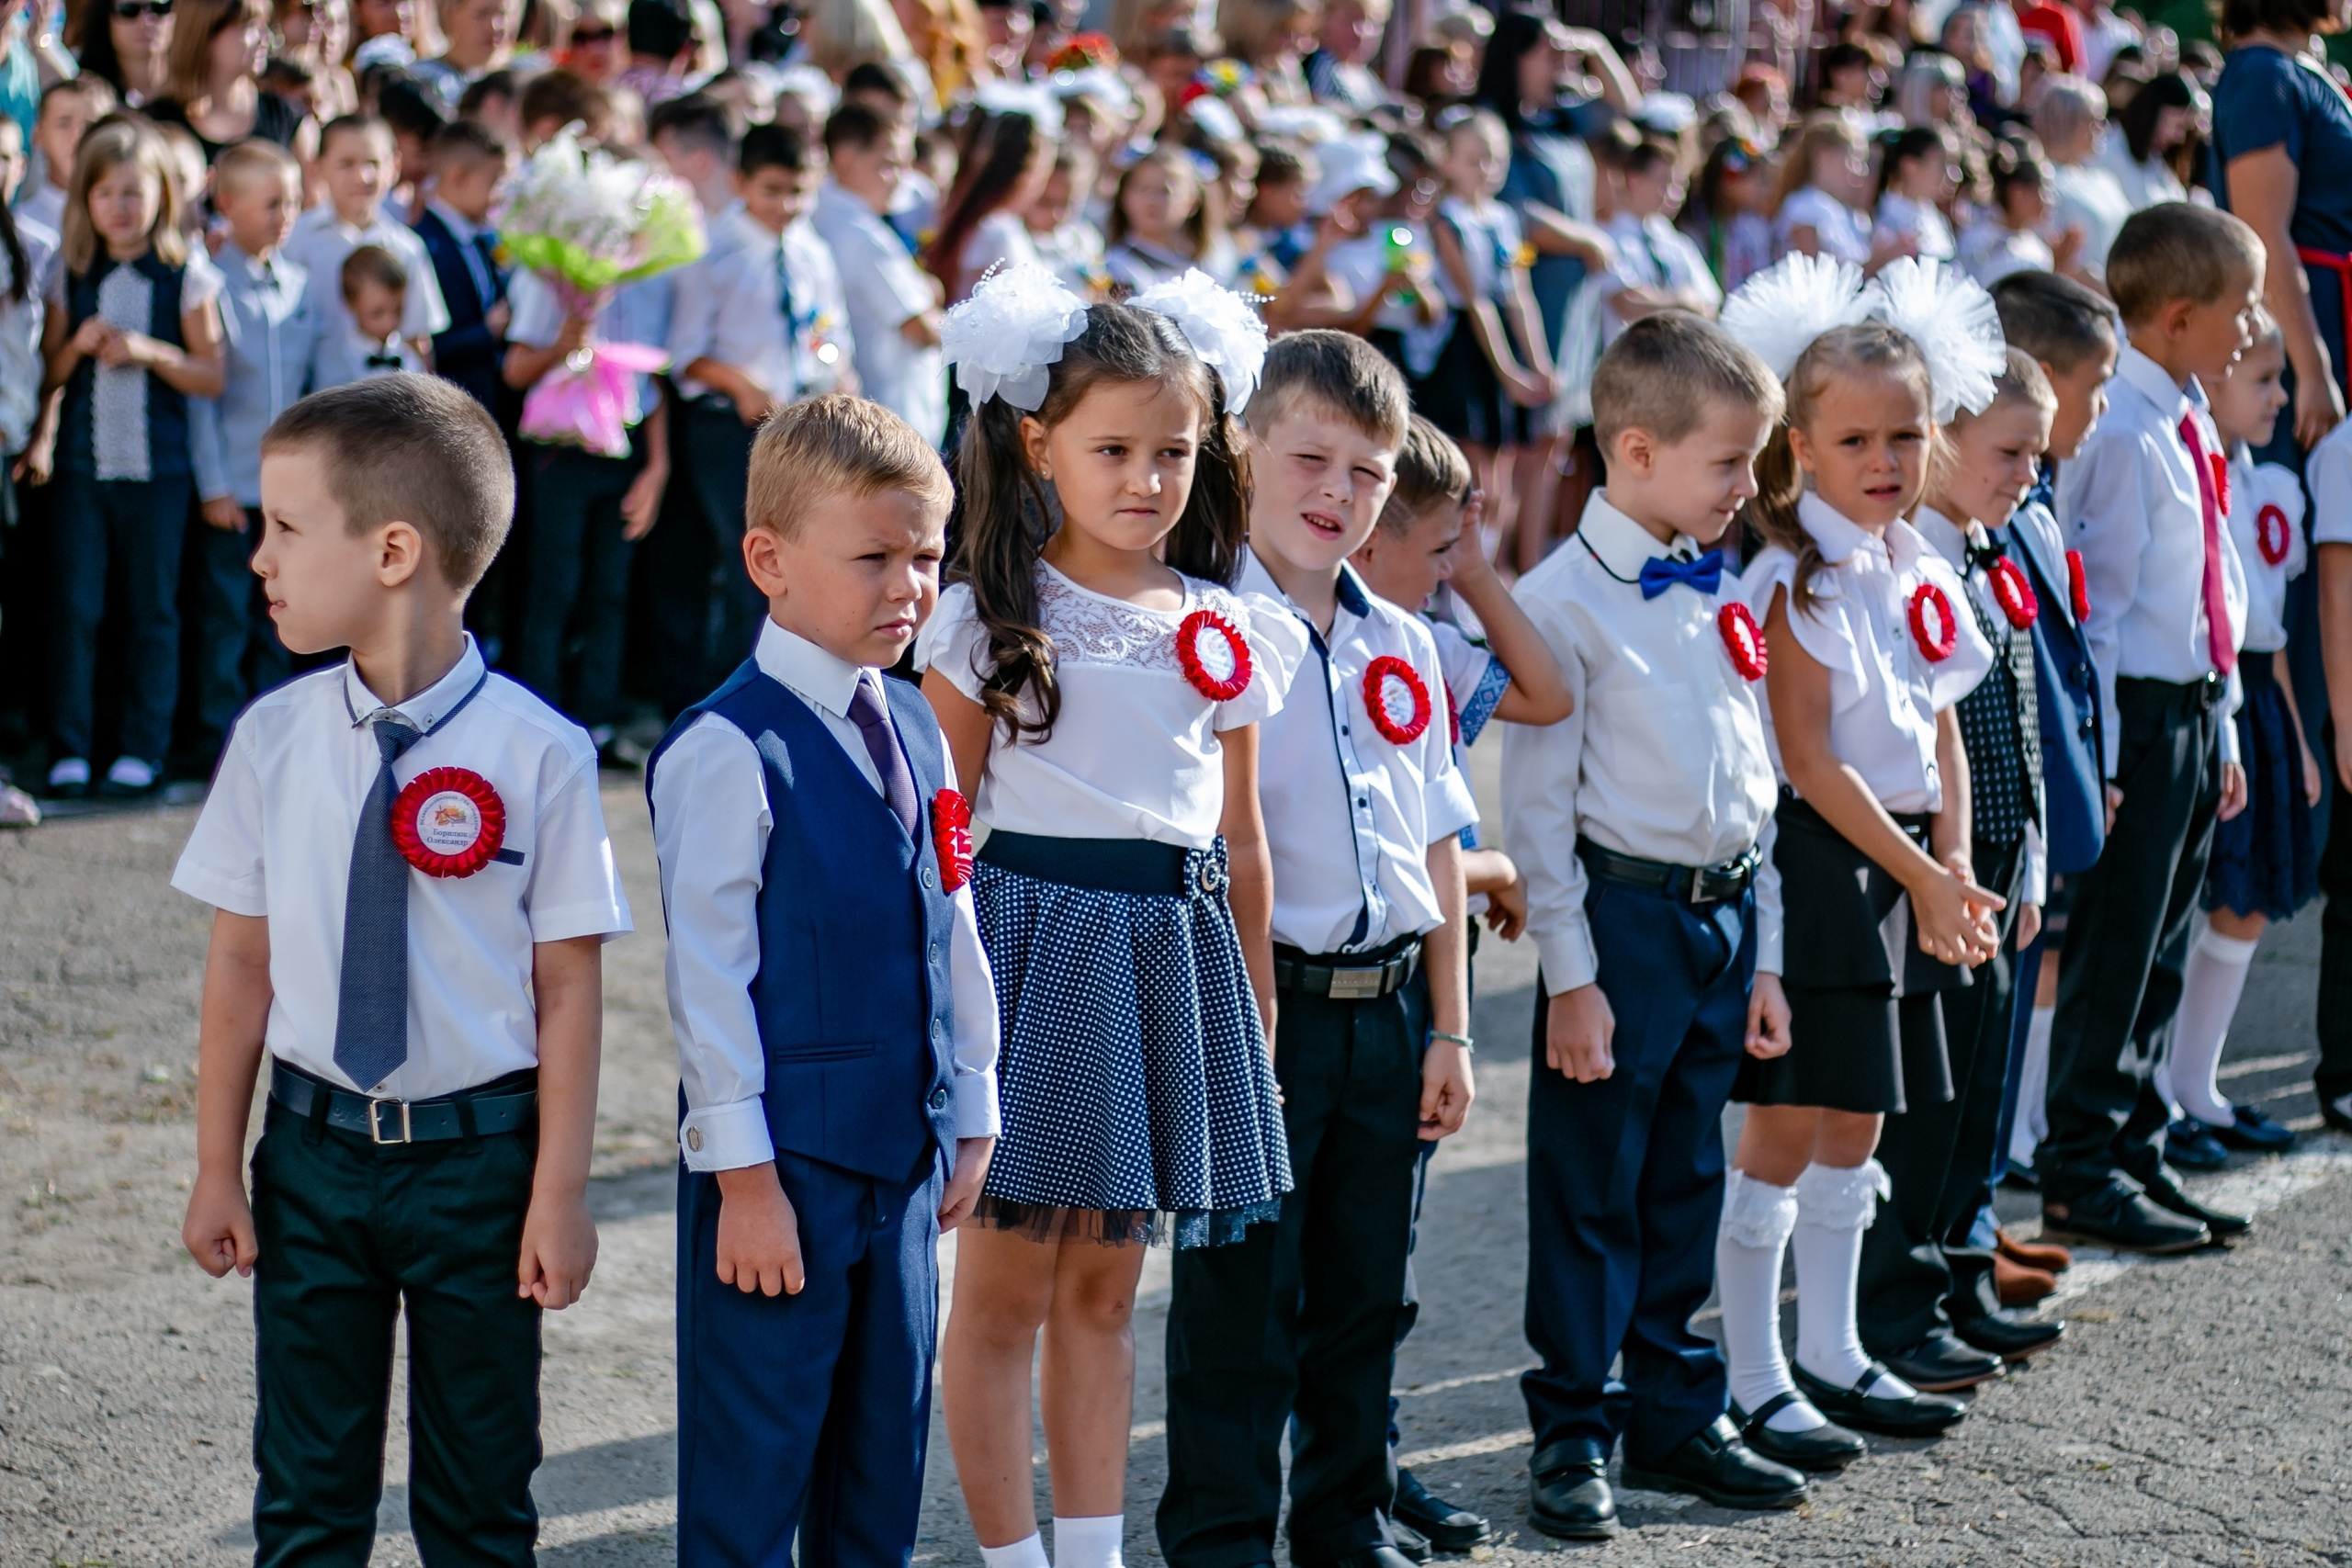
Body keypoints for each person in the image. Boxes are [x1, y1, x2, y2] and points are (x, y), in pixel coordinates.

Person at [174, 374, 629, 1567]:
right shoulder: (272, 740)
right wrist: (218, 1164)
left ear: (392, 549)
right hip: (313, 1157)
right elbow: (241, 961)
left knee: (480, 1502)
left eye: (284, 525)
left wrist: (561, 1189)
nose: (259, 553)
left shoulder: (542, 752)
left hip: (482, 1163)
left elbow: (569, 986)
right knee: (308, 1496)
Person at [918, 266, 1293, 1568]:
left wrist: (1255, 1002)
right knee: (1008, 1288)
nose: (1146, 477)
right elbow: (942, 829)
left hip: (1169, 960)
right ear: (1039, 444)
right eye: (1114, 448)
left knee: (1106, 1288)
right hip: (1031, 953)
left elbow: (1240, 835)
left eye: (1174, 451)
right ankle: (1013, 1556)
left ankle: (1092, 1552)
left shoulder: (1224, 623)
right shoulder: (984, 615)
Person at [647, 392, 997, 1564]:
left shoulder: (914, 719)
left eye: (929, 557)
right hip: (782, 1175)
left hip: (901, 1160)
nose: (911, 586)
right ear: (770, 561)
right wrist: (743, 1181)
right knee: (755, 1473)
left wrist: (975, 1102)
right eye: (876, 557)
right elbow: (707, 986)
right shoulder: (724, 747)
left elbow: (951, 914)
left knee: (878, 1470)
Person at [1159, 329, 1477, 1568]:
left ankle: (1346, 1516)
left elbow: (1441, 840)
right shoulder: (1204, 628)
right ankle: (1224, 1533)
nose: (1337, 494)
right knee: (1241, 1295)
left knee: (1364, 1288)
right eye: (1310, 459)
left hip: (1389, 1007)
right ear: (1244, 451)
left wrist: (1449, 1021)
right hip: (1261, 1006)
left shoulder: (1405, 640)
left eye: (1369, 473)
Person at [1498, 310, 1814, 1534]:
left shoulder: (1714, 580)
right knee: (1591, 1184)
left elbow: (1756, 783)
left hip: (1722, 915)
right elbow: (1537, 818)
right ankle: (1575, 1423)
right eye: (1729, 463)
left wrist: (1768, 952)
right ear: (1635, 450)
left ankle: (1679, 1409)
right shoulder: (1557, 603)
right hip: (1620, 923)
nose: (1750, 487)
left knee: (1686, 1172)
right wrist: (1573, 977)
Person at [1719, 260, 1996, 1453]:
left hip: (1905, 861)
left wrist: (1957, 856)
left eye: (1905, 434)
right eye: (1854, 438)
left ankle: (1835, 1347)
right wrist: (1922, 871)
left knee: (1859, 1122)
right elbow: (1810, 762)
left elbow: (1942, 719)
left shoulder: (1912, 558)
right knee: (1788, 1124)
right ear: (1800, 444)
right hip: (1825, 861)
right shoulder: (1794, 578)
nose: (1884, 459)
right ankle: (1752, 1368)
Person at [1345, 415, 1572, 1551]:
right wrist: (1485, 863)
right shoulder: (1354, 640)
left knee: (1389, 1245)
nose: (1451, 567)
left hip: (1431, 961)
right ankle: (1343, 1467)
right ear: (1364, 539)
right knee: (1340, 1256)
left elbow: (1546, 687)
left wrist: (1473, 568)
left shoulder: (1428, 634)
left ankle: (1369, 1463)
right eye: (1435, 547)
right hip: (1378, 944)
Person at [2041, 202, 2265, 1253]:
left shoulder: (2180, 413)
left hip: (2185, 709)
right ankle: (2080, 1164)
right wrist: (2101, 752)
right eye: (2241, 308)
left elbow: (2208, 580)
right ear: (2176, 318)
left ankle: (2136, 1148)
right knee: (2116, 949)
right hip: (2132, 716)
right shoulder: (2122, 432)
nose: (2253, 327)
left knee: (2163, 950)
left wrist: (2219, 724)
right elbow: (2101, 607)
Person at [1861, 336, 2073, 1389]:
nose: (2027, 474)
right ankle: (1898, 1303)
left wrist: (2026, 864)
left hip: (1995, 852)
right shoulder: (1918, 562)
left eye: (2037, 455)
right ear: (1938, 443)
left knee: (1979, 1084)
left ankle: (1957, 1274)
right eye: (2007, 451)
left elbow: (2022, 722)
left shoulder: (1994, 546)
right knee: (1928, 1095)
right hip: (1937, 856)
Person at [1984, 272, 2115, 1295]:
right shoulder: (1993, 512)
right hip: (1994, 808)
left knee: (2013, 1002)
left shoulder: (2029, 501)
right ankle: (1959, 1222)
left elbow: (2060, 655)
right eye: (2092, 387)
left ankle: (1975, 1208)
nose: (2098, 409)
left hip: (2046, 794)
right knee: (1980, 1026)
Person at [2157, 309, 2311, 1163]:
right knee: (2192, 896)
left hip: (2258, 705)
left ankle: (2198, 1081)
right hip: (2209, 695)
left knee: (2246, 904)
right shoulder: (2191, 469)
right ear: (2209, 379)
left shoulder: (2269, 485)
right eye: (2261, 379)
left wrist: (2293, 730)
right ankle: (2158, 1093)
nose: (2280, 398)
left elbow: (2272, 629)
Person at [39, 116, 227, 801]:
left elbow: (212, 373)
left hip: (160, 474)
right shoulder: (73, 270)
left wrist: (149, 351)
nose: (120, 206)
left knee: (153, 611)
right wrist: (78, 344)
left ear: (161, 198)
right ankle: (70, 745)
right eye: (106, 192)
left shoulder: (186, 274)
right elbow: (50, 372)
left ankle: (141, 748)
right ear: (85, 200)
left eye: (134, 192)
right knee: (78, 606)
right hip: (83, 473)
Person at [675, 122, 843, 682]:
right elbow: (684, 355)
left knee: (792, 560)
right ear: (739, 181)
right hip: (728, 425)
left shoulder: (811, 250)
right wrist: (741, 386)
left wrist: (836, 382)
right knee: (743, 558)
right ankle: (725, 685)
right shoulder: (714, 252)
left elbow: (828, 333)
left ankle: (779, 678)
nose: (787, 206)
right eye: (772, 190)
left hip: (795, 427)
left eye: (799, 191)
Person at [502, 233, 670, 750]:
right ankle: (538, 727)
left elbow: (653, 380)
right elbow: (514, 370)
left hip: (626, 450)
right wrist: (564, 343)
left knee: (610, 592)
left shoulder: (648, 281)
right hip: (560, 450)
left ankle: (597, 724)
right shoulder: (545, 277)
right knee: (554, 588)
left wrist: (657, 467)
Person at [187, 139, 315, 765]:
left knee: (280, 615)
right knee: (224, 615)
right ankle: (219, 735)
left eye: (292, 201)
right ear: (228, 203)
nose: (284, 214)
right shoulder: (210, 283)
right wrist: (212, 483)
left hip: (286, 496)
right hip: (234, 487)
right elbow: (203, 401)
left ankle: (275, 735)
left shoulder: (299, 286)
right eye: (270, 203)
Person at [2211, 0, 2352, 456]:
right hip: (2307, 328)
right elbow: (2262, 235)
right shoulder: (2262, 75)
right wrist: (2313, 371)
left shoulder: (2296, 67)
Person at [1423, 107, 1553, 558]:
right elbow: (1473, 298)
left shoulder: (1504, 219)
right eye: (1475, 158)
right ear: (1449, 162)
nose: (1487, 169)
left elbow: (1518, 294)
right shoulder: (1447, 220)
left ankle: (1489, 571)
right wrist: (1507, 370)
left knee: (1503, 481)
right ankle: (1454, 581)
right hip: (1468, 348)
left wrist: (1538, 361)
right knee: (1475, 480)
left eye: (1494, 158)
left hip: (1503, 342)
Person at [814, 102, 946, 446]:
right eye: (888, 165)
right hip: (892, 419)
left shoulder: (824, 216)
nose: (900, 179)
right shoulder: (861, 235)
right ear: (844, 160)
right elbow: (922, 328)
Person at [283, 113, 449, 367]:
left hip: (384, 394)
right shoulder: (297, 239)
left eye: (373, 162)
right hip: (317, 396)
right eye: (346, 163)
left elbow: (417, 339)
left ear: (394, 167)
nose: (362, 176)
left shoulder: (407, 247)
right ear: (318, 168)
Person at [410, 117, 512, 416]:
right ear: (457, 177)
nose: (500, 194)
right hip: (452, 407)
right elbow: (428, 343)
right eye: (494, 182)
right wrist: (487, 331)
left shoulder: (487, 236)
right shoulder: (424, 246)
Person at [149, 0, 311, 160]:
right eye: (250, 26)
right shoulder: (156, 125)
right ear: (205, 33)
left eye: (264, 25)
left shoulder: (284, 117)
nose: (264, 38)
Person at [2035, 75, 2132, 283]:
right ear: (2065, 119)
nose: (2102, 129)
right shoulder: (2043, 182)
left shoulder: (2102, 179)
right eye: (2094, 120)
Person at [1771, 114, 1884, 270]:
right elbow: (1813, 273)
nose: (1861, 171)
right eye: (1854, 159)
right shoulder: (1805, 205)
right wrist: (1880, 262)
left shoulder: (1847, 213)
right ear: (1823, 156)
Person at [17, 77, 116, 247]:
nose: (78, 136)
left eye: (91, 125)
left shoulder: (128, 222)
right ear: (38, 135)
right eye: (63, 123)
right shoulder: (19, 229)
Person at [1103, 146, 1214, 294]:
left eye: (1165, 191)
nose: (1152, 200)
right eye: (1143, 188)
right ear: (1124, 196)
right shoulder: (1113, 269)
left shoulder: (1205, 270)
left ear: (1192, 203)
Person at [311, 243, 424, 385]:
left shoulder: (409, 357)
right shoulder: (333, 360)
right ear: (350, 305)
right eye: (377, 313)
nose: (389, 322)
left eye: (398, 310)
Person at [1873, 126, 1959, 265]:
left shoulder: (1935, 215)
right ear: (1909, 166)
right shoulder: (1883, 214)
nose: (1946, 174)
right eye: (1940, 164)